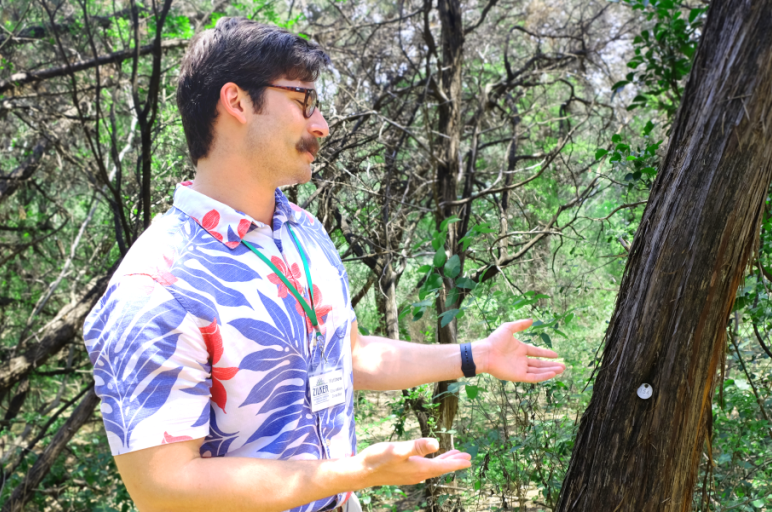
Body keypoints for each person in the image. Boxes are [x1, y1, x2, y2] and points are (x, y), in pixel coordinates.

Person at [82, 17, 566, 512]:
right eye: (303, 101)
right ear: (236, 103)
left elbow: (350, 355)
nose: (321, 124)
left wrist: (476, 356)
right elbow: (162, 487)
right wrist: (355, 473)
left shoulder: (303, 230)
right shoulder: (155, 284)